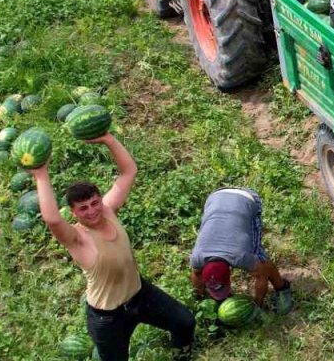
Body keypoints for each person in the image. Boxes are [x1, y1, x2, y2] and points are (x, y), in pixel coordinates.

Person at [29, 134, 194, 361]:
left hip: (141, 294)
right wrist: (41, 175)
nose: (92, 211)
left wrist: (108, 140)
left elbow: (129, 172)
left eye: (94, 203)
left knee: (185, 322)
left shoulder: (108, 210)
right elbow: (53, 219)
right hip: (108, 317)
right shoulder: (78, 238)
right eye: (83, 208)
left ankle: (181, 355)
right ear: (74, 212)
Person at [190, 187, 293, 315]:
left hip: (245, 199)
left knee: (259, 256)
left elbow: (261, 275)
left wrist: (257, 306)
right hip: (216, 197)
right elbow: (196, 275)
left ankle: (282, 288)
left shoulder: (242, 257)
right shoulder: (197, 258)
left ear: (230, 273)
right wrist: (199, 299)